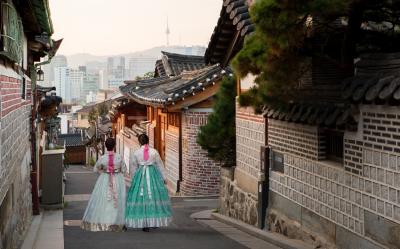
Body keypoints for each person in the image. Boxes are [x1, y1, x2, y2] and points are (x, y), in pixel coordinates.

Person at [125, 134, 172, 232]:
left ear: (139, 142)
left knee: (141, 199)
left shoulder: (136, 153)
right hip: (153, 176)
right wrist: (163, 177)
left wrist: (134, 180)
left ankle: (144, 223)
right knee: (154, 198)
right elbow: (160, 165)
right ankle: (154, 221)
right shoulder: (154, 151)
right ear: (148, 141)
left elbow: (133, 167)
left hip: (140, 176)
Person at [81, 137, 126, 232]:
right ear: (114, 146)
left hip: (105, 179)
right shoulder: (119, 157)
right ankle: (117, 221)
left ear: (105, 146)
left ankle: (104, 221)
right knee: (117, 199)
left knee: (104, 199)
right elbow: (124, 169)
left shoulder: (102, 158)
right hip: (117, 178)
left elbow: (95, 169)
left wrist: (104, 172)